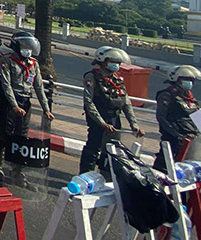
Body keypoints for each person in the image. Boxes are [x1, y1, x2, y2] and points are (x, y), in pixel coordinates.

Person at [0, 31, 54, 186]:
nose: (28, 50)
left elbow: (38, 86)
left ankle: (17, 171)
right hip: (10, 103)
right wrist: (14, 106)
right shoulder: (7, 61)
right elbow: (6, 85)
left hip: (26, 103)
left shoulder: (33, 64)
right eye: (25, 47)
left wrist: (46, 109)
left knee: (21, 138)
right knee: (4, 135)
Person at [78, 46, 144, 174]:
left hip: (114, 119)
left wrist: (134, 125)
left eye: (118, 63)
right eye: (112, 62)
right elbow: (89, 102)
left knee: (111, 151)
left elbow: (126, 103)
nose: (116, 65)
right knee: (93, 149)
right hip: (98, 119)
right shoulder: (92, 77)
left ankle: (105, 176)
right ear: (102, 61)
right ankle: (85, 176)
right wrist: (102, 123)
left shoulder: (117, 80)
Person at [153, 65, 201, 171]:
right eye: (186, 80)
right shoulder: (167, 95)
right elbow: (161, 117)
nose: (189, 83)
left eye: (191, 80)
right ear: (176, 79)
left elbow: (198, 117)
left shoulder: (190, 98)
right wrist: (177, 135)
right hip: (173, 138)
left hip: (190, 140)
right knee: (165, 165)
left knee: (186, 167)